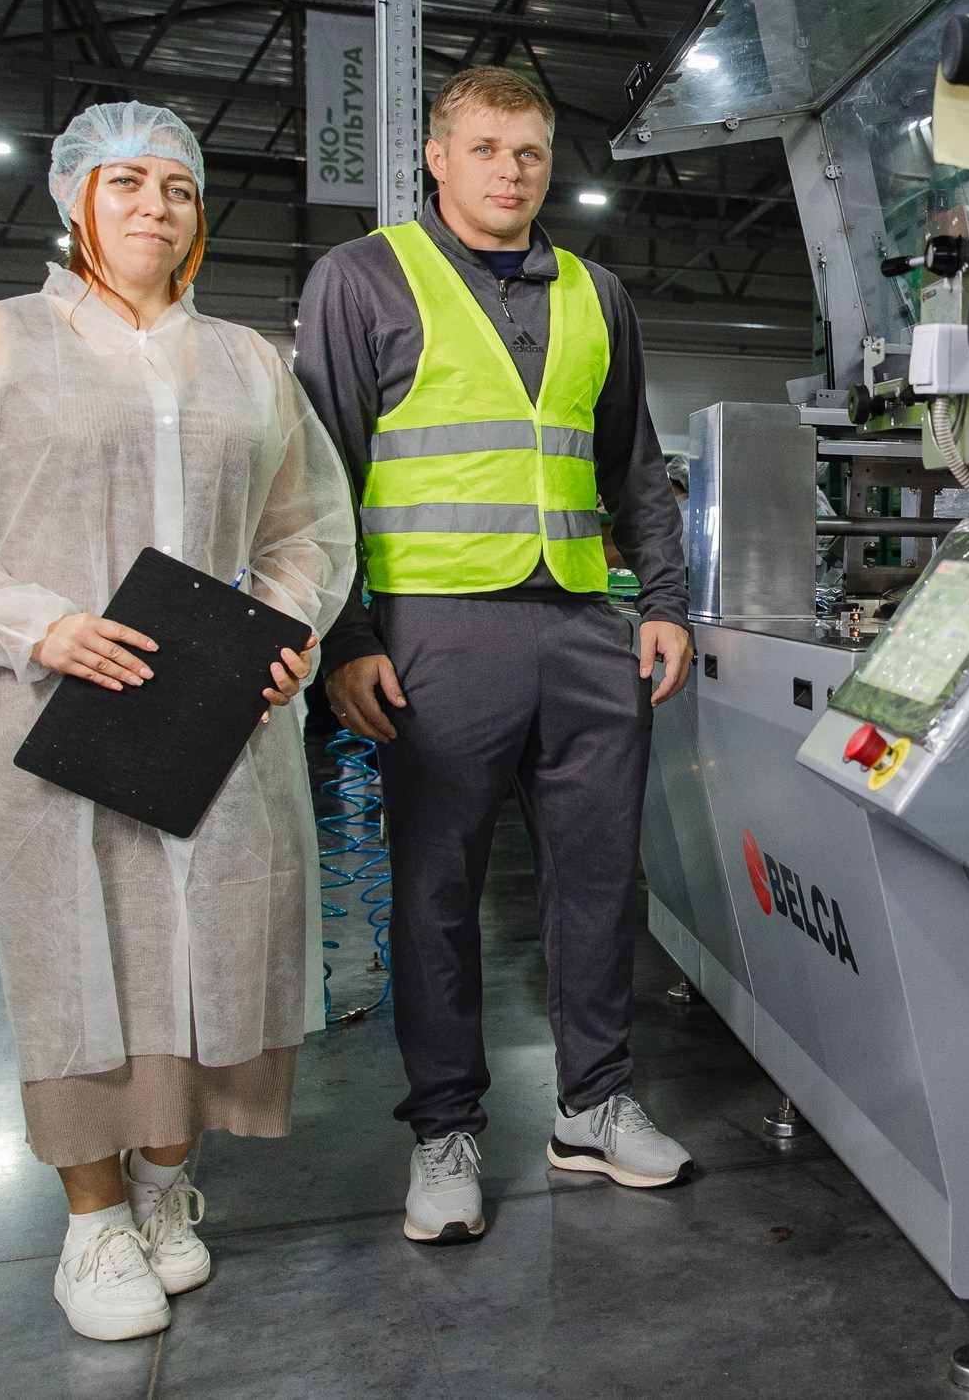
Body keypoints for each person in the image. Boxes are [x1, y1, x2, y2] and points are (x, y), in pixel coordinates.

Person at [0, 102, 356, 1341]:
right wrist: (33, 621)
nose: (155, 206)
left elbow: (308, 528)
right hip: (50, 707)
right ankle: (90, 1221)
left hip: (218, 723)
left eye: (178, 189)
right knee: (80, 956)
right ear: (75, 200)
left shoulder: (247, 362)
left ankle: (163, 1177)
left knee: (215, 948)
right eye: (126, 183)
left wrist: (283, 632)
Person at [294, 65, 694, 1247]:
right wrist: (345, 639)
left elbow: (635, 466)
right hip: (433, 633)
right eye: (484, 149)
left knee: (596, 880)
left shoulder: (594, 291)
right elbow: (317, 481)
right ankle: (445, 1132)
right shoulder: (363, 277)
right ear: (435, 155)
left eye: (527, 152)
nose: (509, 172)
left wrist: (659, 600)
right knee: (434, 894)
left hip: (580, 623)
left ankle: (595, 1103)